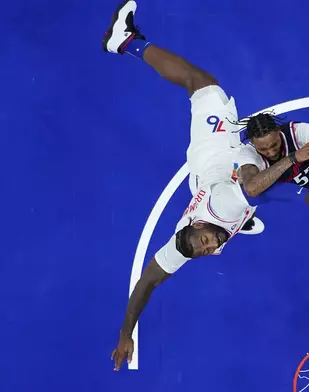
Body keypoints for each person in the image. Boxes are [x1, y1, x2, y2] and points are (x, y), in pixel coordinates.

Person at [103, 0, 265, 371]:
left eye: (206, 240)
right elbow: (147, 282)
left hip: (215, 155)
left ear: (196, 225)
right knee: (251, 197)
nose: (210, 247)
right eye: (208, 248)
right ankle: (249, 216)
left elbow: (265, 191)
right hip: (206, 182)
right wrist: (126, 333)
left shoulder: (221, 209)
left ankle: (124, 41)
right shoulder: (189, 244)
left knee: (201, 83)